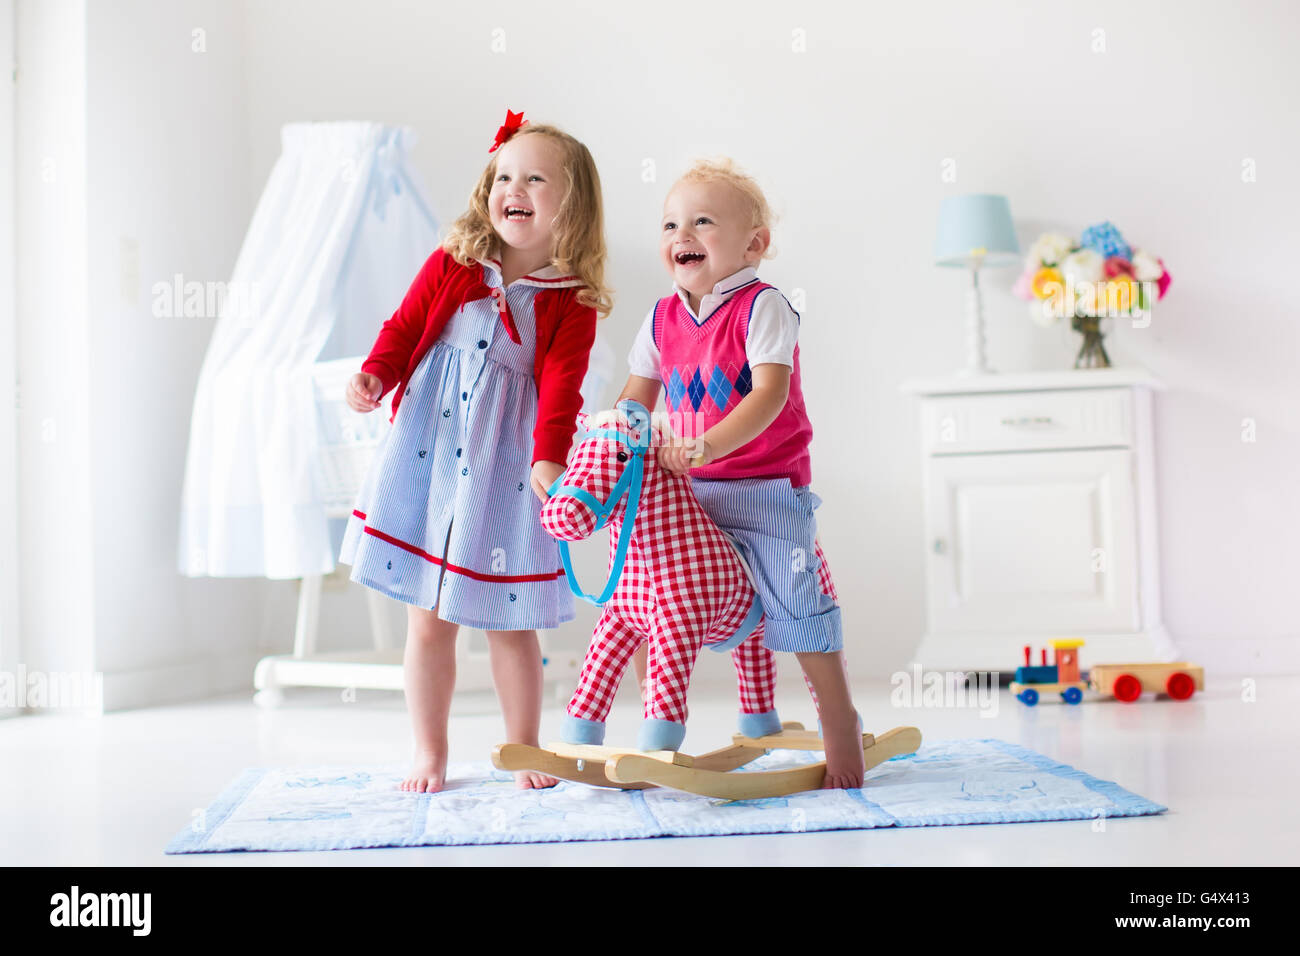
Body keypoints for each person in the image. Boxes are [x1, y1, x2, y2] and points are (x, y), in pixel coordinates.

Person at [339, 110, 611, 793]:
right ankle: (430, 753)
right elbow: (403, 328)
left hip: (503, 475)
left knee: (509, 623)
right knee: (427, 625)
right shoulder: (454, 263)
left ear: (570, 206)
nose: (513, 188)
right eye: (504, 176)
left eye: (536, 179)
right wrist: (377, 372)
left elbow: (561, 391)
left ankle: (525, 748)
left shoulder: (569, 301)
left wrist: (551, 460)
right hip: (428, 459)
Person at [615, 157, 865, 788]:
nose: (682, 235)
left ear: (754, 244)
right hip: (692, 492)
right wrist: (618, 438)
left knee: (797, 599)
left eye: (703, 221)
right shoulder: (660, 317)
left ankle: (840, 727)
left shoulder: (764, 307)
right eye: (670, 223)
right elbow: (636, 398)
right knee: (647, 595)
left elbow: (768, 396)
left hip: (766, 492)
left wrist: (707, 446)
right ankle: (658, 733)